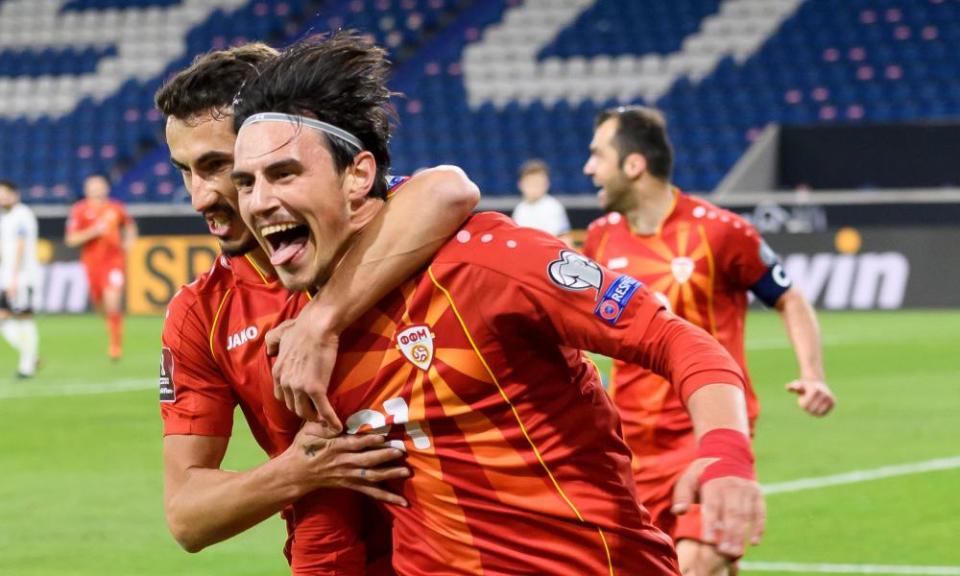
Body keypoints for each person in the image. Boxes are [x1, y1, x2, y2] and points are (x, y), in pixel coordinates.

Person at [232, 32, 765, 575]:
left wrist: (726, 454)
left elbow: (678, 341)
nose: (258, 201)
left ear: (359, 176)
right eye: (245, 182)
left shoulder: (488, 263)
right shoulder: (298, 341)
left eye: (284, 174)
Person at [154, 43, 480, 574]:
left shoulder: (379, 225)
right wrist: (298, 471)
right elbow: (187, 516)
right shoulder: (201, 313)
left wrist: (319, 318)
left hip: (470, 550)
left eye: (218, 167)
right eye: (185, 171)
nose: (200, 197)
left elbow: (449, 189)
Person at [582, 105, 837, 575]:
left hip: (707, 435)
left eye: (598, 155)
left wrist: (812, 374)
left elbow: (789, 297)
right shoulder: (598, 239)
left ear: (634, 164)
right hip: (629, 446)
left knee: (696, 565)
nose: (588, 168)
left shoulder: (720, 231)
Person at [65, 174, 137, 360]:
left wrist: (129, 241)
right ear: (87, 189)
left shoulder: (116, 207)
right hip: (91, 265)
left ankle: (115, 345)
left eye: (100, 186)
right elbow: (71, 239)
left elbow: (129, 225)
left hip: (114, 262)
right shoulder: (79, 210)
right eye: (93, 186)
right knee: (100, 304)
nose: (97, 189)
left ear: (106, 188)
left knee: (113, 299)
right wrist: (93, 232)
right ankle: (111, 325)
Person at [0, 180, 40, 378]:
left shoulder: (23, 214)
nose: (2, 197)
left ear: (15, 194)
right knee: (4, 319)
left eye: (5, 193)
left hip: (23, 276)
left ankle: (27, 366)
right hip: (7, 275)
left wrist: (14, 278)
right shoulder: (4, 217)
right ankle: (30, 356)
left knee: (24, 317)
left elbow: (20, 246)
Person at [510, 159, 572, 246]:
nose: (534, 188)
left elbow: (564, 240)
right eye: (530, 183)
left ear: (547, 184)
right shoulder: (520, 209)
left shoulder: (553, 207)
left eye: (538, 183)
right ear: (520, 184)